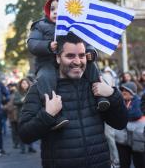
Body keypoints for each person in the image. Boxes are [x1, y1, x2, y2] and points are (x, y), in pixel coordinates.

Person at [19, 32, 128, 168]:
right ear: (58, 58)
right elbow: (24, 135)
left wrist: (112, 94)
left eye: (81, 55)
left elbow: (120, 123)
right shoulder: (41, 88)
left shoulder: (95, 84)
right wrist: (47, 115)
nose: (77, 61)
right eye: (70, 56)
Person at [27, 0, 110, 130]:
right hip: (47, 62)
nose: (55, 12)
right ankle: (56, 114)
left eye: (59, 9)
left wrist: (91, 53)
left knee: (91, 65)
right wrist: (48, 46)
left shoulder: (74, 25)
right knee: (45, 77)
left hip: (70, 62)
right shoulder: (40, 26)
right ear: (47, 11)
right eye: (52, 9)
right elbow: (32, 44)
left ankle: (100, 96)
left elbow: (85, 42)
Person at [115, 82, 145, 168]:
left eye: (126, 90)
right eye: (122, 90)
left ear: (132, 92)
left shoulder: (137, 100)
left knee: (140, 163)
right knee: (124, 163)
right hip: (122, 139)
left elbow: (136, 114)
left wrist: (123, 114)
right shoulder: (119, 102)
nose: (123, 92)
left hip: (137, 138)